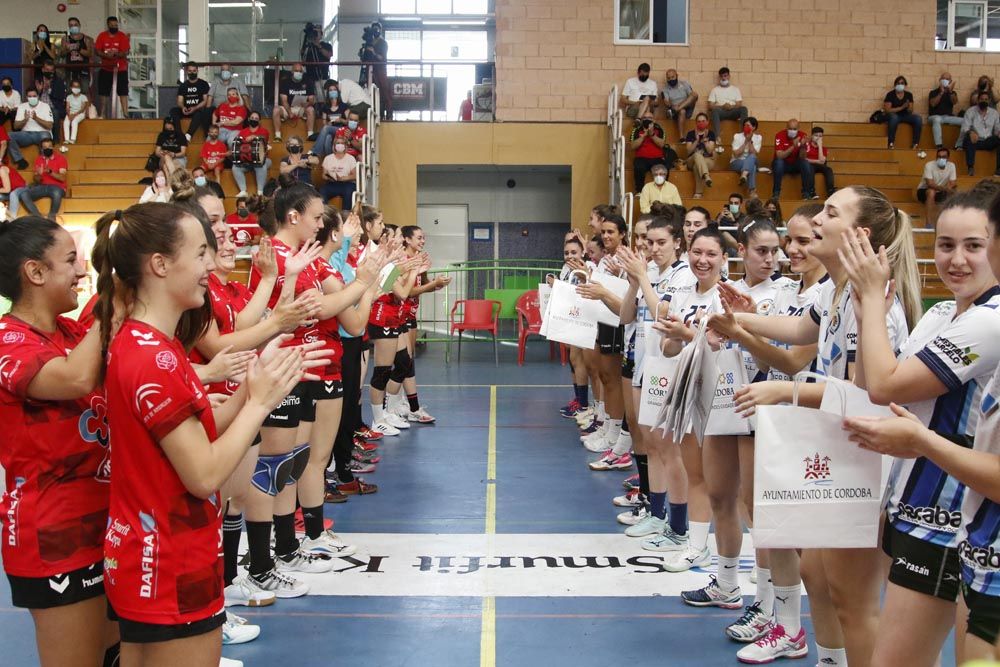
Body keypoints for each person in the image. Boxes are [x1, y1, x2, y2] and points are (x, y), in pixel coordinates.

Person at [94, 202, 317, 667]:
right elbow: (204, 473)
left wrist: (249, 393)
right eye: (199, 255)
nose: (209, 268)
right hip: (166, 559)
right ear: (159, 265)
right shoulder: (152, 357)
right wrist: (257, 405)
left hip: (160, 554)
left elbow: (185, 439)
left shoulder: (154, 345)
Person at [715, 186, 920, 667]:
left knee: (853, 598)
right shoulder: (833, 290)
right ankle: (831, 659)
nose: (815, 221)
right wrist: (741, 316)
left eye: (830, 212)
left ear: (859, 234)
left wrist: (786, 392)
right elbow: (797, 330)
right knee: (817, 576)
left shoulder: (875, 306)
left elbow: (869, 394)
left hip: (869, 462)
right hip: (840, 451)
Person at [838, 190, 1000, 667]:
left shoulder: (989, 322)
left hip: (946, 521)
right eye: (946, 245)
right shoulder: (940, 314)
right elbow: (873, 382)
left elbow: (885, 386)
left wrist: (870, 294)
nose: (957, 259)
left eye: (974, 245)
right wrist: (869, 310)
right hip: (913, 505)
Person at [0, 216, 120, 667]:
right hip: (53, 534)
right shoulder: (8, 343)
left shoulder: (70, 333)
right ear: (35, 273)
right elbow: (73, 379)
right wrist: (114, 309)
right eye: (70, 260)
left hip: (104, 519)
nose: (82, 271)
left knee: (114, 654)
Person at [384, 225, 450, 424]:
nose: (422, 241)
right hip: (397, 314)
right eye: (419, 238)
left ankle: (406, 405)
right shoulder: (402, 260)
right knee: (403, 362)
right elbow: (406, 291)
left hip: (410, 314)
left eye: (424, 238)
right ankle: (391, 406)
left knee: (408, 361)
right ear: (407, 239)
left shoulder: (419, 259)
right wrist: (430, 284)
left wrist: (435, 284)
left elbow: (421, 286)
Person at [16, 137, 66, 220]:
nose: (48, 149)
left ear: (53, 147)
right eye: (45, 147)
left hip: (57, 187)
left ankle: (52, 217)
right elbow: (36, 179)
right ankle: (39, 218)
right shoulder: (39, 159)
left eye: (49, 146)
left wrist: (50, 172)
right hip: (42, 187)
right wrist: (39, 175)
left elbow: (62, 178)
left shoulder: (61, 158)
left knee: (57, 192)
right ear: (42, 149)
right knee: (24, 194)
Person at [7, 89, 53, 171]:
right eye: (30, 96)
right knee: (9, 136)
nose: (32, 98)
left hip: (42, 133)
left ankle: (44, 162)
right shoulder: (22, 106)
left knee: (45, 136)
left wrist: (36, 118)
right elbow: (16, 126)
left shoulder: (45, 106)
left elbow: (49, 125)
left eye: (34, 96)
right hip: (26, 134)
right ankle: (20, 160)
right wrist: (25, 119)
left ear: (38, 96)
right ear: (26, 97)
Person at [94, 16, 129, 118]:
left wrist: (116, 54)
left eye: (116, 25)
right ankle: (103, 113)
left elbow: (125, 52)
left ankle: (125, 113)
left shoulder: (122, 36)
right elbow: (97, 51)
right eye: (112, 25)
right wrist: (106, 55)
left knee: (123, 91)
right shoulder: (102, 36)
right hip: (106, 68)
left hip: (121, 69)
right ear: (108, 25)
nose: (114, 27)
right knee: (103, 92)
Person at [273, 63, 316, 144]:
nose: (298, 73)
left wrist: (308, 103)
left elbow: (311, 99)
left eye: (300, 71)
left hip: (302, 108)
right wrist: (289, 112)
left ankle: (310, 135)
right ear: (292, 72)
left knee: (311, 109)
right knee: (276, 110)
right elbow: (284, 101)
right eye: (296, 71)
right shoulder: (285, 82)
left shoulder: (308, 82)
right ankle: (277, 136)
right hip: (288, 108)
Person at [170, 61, 213, 141]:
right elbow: (179, 101)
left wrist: (195, 108)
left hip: (197, 110)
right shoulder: (183, 85)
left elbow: (205, 100)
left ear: (197, 71)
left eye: (194, 71)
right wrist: (182, 107)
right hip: (186, 109)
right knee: (173, 111)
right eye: (190, 71)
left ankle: (188, 135)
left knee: (201, 112)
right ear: (187, 71)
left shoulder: (203, 84)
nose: (192, 73)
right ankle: (179, 134)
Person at [232, 111, 272, 197]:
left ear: (259, 121)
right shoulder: (242, 132)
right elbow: (239, 145)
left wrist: (254, 137)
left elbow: (264, 143)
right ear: (248, 119)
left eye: (256, 119)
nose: (254, 120)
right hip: (246, 160)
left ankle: (260, 191)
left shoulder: (264, 131)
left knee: (262, 164)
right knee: (235, 167)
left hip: (262, 159)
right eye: (252, 118)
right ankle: (243, 191)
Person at [962, 90, 1000, 177]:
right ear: (978, 100)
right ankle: (970, 168)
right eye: (982, 99)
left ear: (989, 101)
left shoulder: (994, 113)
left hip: (987, 141)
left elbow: (997, 129)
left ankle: (998, 170)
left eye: (986, 99)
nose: (984, 101)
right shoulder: (970, 111)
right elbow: (965, 128)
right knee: (968, 139)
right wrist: (970, 132)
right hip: (975, 140)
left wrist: (999, 133)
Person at [707, 66, 748, 148]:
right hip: (721, 112)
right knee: (714, 111)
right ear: (719, 77)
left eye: (725, 76)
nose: (723, 78)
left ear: (729, 76)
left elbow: (739, 103)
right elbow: (710, 105)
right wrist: (723, 106)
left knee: (744, 109)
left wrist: (731, 107)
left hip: (733, 112)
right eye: (722, 76)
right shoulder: (715, 90)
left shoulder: (735, 89)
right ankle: (717, 138)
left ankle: (743, 136)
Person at [917, 148, 958, 227]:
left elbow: (953, 183)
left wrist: (949, 189)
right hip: (924, 191)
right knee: (931, 191)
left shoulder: (951, 166)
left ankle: (951, 223)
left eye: (943, 157)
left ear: (948, 158)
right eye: (939, 156)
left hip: (940, 191)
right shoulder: (929, 165)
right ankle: (929, 223)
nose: (941, 159)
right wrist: (945, 189)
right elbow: (930, 184)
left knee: (954, 192)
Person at [770, 118, 810, 200]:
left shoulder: (803, 136)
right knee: (779, 162)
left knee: (805, 163)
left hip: (795, 164)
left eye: (794, 129)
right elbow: (779, 156)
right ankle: (776, 193)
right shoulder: (779, 135)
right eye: (790, 129)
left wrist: (802, 146)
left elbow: (803, 157)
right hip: (782, 164)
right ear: (786, 128)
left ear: (798, 129)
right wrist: (793, 146)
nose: (792, 131)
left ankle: (806, 192)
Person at [630, 109, 667, 192]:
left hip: (657, 158)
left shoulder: (660, 130)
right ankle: (639, 191)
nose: (647, 120)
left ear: (653, 120)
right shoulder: (636, 130)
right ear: (642, 120)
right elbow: (633, 146)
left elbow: (662, 144)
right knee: (639, 168)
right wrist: (643, 136)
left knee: (663, 168)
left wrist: (652, 135)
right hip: (641, 158)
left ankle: (661, 191)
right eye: (645, 118)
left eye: (649, 118)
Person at [884, 75, 923, 150]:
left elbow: (911, 110)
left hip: (906, 115)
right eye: (898, 83)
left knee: (918, 119)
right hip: (894, 116)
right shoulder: (890, 94)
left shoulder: (909, 95)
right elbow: (887, 110)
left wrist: (908, 106)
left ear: (905, 85)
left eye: (902, 83)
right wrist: (902, 107)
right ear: (895, 85)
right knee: (894, 118)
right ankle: (890, 143)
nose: (900, 85)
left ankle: (915, 144)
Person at [314, 80, 349, 158]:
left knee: (326, 128)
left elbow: (349, 122)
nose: (332, 91)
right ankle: (331, 158)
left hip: (341, 129)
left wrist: (341, 120)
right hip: (330, 129)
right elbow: (324, 123)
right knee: (327, 138)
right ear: (328, 93)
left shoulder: (344, 106)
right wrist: (328, 123)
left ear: (338, 92)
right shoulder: (325, 107)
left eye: (334, 90)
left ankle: (315, 152)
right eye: (330, 90)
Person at [684, 113, 716, 199]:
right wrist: (697, 140)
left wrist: (705, 141)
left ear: (707, 122)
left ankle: (698, 193)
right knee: (697, 155)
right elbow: (688, 151)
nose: (701, 123)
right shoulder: (690, 134)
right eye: (699, 121)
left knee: (696, 167)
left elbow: (710, 151)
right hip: (692, 160)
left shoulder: (711, 134)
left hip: (707, 160)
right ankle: (706, 176)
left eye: (703, 121)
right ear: (696, 123)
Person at [34, 60, 66, 144]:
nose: (49, 72)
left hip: (53, 107)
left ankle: (55, 141)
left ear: (53, 71)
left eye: (51, 70)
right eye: (46, 70)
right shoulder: (38, 80)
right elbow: (31, 97)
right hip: (39, 107)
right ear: (43, 69)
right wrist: (39, 91)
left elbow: (60, 97)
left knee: (55, 113)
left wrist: (49, 90)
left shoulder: (58, 81)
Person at [661, 69, 698, 141]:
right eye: (668, 78)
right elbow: (667, 102)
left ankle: (677, 109)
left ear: (677, 76)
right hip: (675, 111)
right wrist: (670, 105)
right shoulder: (665, 89)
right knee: (682, 111)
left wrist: (679, 106)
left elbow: (692, 96)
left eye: (672, 77)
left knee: (695, 94)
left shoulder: (685, 84)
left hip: (687, 108)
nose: (671, 79)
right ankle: (681, 137)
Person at [929, 72, 963, 150]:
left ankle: (958, 145)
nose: (945, 80)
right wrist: (941, 93)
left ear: (950, 81)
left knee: (965, 121)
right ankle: (939, 146)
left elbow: (955, 102)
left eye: (947, 79)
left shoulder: (953, 93)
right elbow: (933, 104)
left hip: (947, 117)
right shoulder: (933, 92)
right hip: (934, 117)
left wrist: (950, 91)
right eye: (943, 78)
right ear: (940, 80)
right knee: (937, 119)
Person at [730, 116, 762, 197]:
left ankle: (744, 174)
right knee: (753, 167)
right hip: (737, 162)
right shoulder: (737, 136)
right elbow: (736, 154)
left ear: (754, 127)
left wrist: (750, 141)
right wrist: (745, 142)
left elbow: (754, 153)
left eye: (748, 125)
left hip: (751, 159)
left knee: (752, 157)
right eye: (744, 125)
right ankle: (752, 191)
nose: (745, 127)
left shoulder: (758, 137)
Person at [320, 138, 357, 207]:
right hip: (332, 183)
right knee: (322, 190)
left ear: (346, 146)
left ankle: (346, 213)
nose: (340, 145)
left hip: (347, 184)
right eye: (338, 143)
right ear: (334, 146)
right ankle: (325, 214)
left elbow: (355, 176)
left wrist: (343, 178)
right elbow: (323, 175)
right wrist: (329, 178)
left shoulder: (351, 158)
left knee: (349, 191)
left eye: (342, 143)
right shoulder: (328, 158)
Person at [300, 22, 333, 96]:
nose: (314, 34)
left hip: (323, 77)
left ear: (321, 35)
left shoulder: (326, 45)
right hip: (310, 78)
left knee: (323, 97)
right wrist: (307, 38)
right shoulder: (308, 46)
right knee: (311, 98)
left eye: (316, 32)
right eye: (314, 32)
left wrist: (318, 45)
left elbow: (329, 55)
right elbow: (303, 60)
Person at [803, 125, 835, 199]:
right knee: (810, 168)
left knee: (829, 169)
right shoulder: (806, 145)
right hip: (809, 166)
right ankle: (812, 192)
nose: (818, 137)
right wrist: (817, 161)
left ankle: (830, 192)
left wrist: (820, 146)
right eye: (816, 135)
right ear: (812, 136)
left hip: (819, 166)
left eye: (820, 136)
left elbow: (822, 162)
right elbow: (804, 159)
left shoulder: (823, 149)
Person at [61, 17, 93, 90]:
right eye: (71, 25)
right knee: (69, 91)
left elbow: (90, 54)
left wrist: (78, 49)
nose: (73, 27)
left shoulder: (87, 39)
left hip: (83, 69)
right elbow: (62, 54)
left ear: (79, 25)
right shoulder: (65, 39)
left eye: (75, 25)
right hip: (70, 70)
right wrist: (68, 49)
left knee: (84, 91)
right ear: (69, 27)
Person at [61, 78, 90, 149]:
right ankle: (67, 139)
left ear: (80, 88)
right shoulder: (69, 97)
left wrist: (74, 115)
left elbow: (83, 108)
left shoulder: (83, 97)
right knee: (66, 122)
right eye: (74, 86)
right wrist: (68, 114)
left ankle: (73, 139)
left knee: (74, 122)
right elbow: (67, 107)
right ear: (71, 87)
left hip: (80, 114)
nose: (76, 88)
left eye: (77, 87)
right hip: (70, 113)